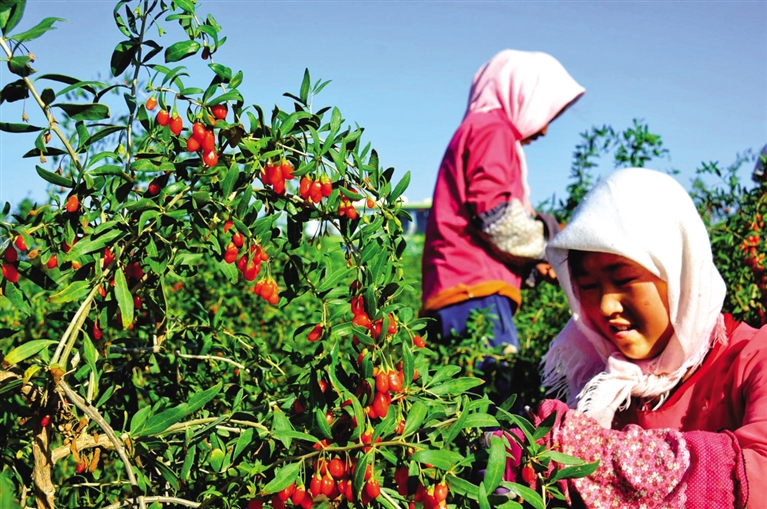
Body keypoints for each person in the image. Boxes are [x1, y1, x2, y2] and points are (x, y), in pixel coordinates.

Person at [500, 168, 765, 507]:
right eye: (590, 287)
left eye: (623, 278)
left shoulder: (753, 357)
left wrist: (584, 452)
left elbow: (758, 473)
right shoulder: (602, 385)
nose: (606, 305)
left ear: (679, 271)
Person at [421, 49, 584, 354]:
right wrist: (552, 249)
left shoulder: (480, 130)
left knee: (464, 393)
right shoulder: (491, 130)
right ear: (521, 95)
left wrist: (538, 257)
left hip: (460, 288)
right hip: (474, 291)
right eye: (545, 113)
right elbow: (497, 218)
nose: (545, 129)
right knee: (492, 393)